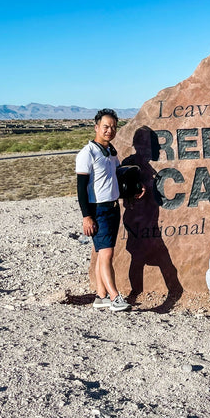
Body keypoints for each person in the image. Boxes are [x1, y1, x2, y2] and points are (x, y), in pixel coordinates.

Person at [76, 108, 142, 312]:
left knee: (102, 253)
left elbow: (112, 179)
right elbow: (81, 187)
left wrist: (131, 190)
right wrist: (86, 216)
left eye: (113, 127)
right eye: (106, 126)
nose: (110, 130)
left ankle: (101, 296)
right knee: (106, 253)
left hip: (113, 206)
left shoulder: (111, 151)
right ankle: (115, 298)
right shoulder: (87, 153)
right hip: (98, 209)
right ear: (96, 127)